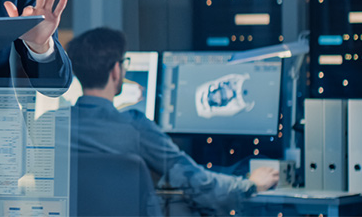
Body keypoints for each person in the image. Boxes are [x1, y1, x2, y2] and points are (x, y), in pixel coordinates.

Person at [66, 27, 280, 216]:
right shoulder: (134, 127)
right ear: (115, 71)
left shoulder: (51, 126)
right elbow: (197, 183)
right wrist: (250, 184)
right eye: (124, 63)